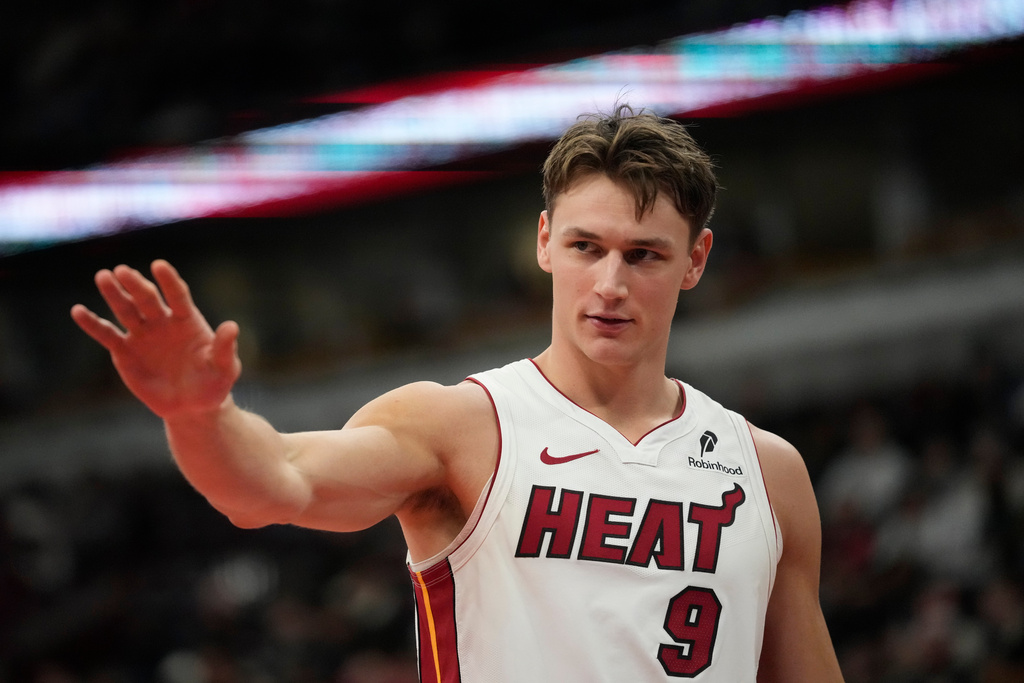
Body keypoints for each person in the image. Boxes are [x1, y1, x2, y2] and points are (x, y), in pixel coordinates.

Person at [71, 104, 844, 682]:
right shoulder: (460, 426)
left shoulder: (767, 473)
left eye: (644, 255)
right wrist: (198, 414)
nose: (610, 283)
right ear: (544, 242)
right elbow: (271, 482)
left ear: (696, 259)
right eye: (586, 246)